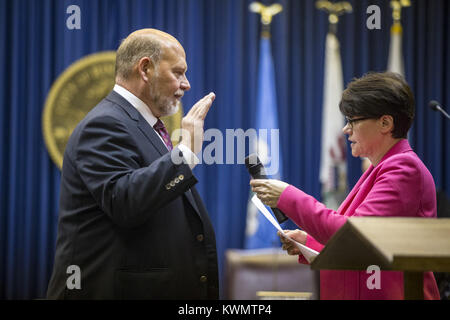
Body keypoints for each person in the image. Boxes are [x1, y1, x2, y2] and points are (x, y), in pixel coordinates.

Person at [47, 29, 219, 299]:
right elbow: (124, 201)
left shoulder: (145, 125)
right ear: (146, 69)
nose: (186, 84)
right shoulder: (104, 123)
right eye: (178, 72)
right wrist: (185, 152)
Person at [251, 72, 440, 300]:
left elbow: (354, 235)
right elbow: (364, 248)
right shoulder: (379, 169)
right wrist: (309, 244)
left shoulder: (403, 169)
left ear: (385, 123)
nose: (345, 129)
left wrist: (287, 196)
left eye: (353, 120)